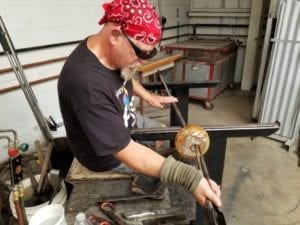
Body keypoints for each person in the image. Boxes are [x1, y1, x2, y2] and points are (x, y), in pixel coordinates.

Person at [58, 0, 222, 208]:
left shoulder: (104, 51)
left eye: (151, 53)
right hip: (107, 156)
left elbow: (123, 75)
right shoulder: (85, 84)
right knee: (173, 176)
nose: (145, 61)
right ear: (116, 36)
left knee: (163, 132)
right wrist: (189, 178)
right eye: (142, 53)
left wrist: (147, 96)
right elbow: (125, 150)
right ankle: (144, 193)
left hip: (126, 120)